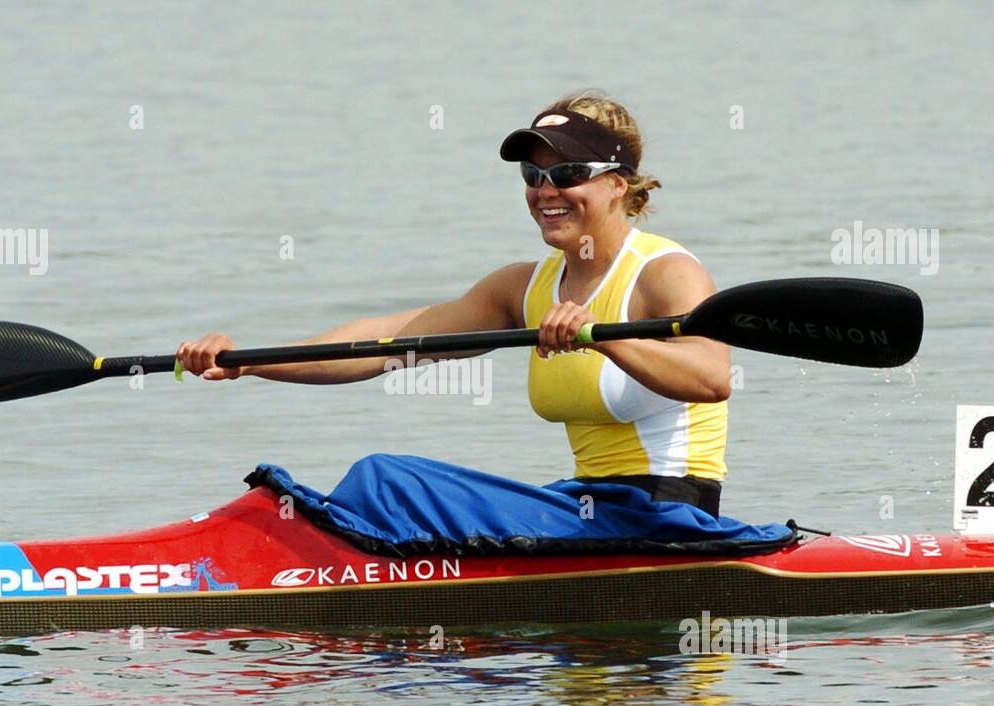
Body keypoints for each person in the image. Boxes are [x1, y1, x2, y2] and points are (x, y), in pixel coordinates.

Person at [177, 91, 732, 516]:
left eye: (566, 174)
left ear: (619, 184)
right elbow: (384, 342)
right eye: (532, 175)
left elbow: (712, 379)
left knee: (389, 481)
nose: (544, 191)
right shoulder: (523, 289)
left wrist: (606, 337)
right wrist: (249, 361)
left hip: (672, 512)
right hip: (592, 506)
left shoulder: (665, 273)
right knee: (390, 491)